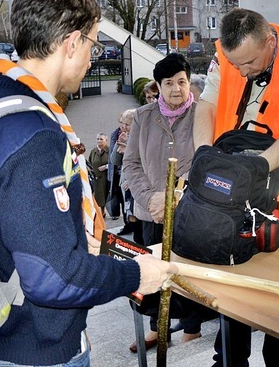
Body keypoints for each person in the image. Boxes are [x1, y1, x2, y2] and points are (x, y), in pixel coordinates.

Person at [0, 0, 176, 366]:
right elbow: (52, 279)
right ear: (71, 43)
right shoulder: (33, 132)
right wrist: (135, 276)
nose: (93, 57)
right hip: (36, 347)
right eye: (93, 43)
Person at [193, 8, 279, 366]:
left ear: (269, 42)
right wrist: (202, 158)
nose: (242, 71)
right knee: (233, 291)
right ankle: (229, 361)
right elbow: (205, 107)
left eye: (249, 63)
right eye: (235, 64)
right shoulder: (228, 54)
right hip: (235, 201)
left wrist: (258, 166)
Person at [123, 52, 205, 352]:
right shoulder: (143, 118)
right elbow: (131, 164)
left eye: (181, 82)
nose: (176, 89)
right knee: (152, 274)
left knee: (187, 271)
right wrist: (150, 198)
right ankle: (158, 329)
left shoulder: (201, 115)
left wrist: (175, 195)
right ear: (158, 86)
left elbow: (204, 162)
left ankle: (192, 328)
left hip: (187, 212)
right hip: (151, 213)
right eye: (168, 83)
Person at [110, 109, 144, 244]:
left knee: (138, 216)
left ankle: (142, 246)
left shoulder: (143, 137)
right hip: (125, 185)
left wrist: (128, 149)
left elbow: (147, 163)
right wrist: (119, 146)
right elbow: (114, 161)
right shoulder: (124, 136)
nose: (123, 127)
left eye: (127, 124)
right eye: (122, 123)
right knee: (130, 215)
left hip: (138, 185)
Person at [87, 132, 110, 216]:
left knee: (107, 195)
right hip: (96, 178)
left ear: (106, 141)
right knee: (98, 196)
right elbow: (90, 163)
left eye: (101, 139)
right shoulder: (93, 151)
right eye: (98, 139)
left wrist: (106, 166)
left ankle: (112, 211)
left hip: (106, 177)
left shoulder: (109, 150)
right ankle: (101, 212)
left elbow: (114, 163)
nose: (99, 141)